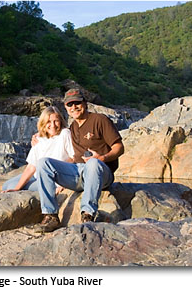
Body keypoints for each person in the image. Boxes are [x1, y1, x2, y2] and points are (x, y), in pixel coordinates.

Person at [33, 89, 124, 233]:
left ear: (85, 103)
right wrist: (40, 136)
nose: (74, 107)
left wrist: (102, 157)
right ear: (66, 109)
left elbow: (119, 147)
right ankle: (50, 215)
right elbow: (55, 130)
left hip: (101, 172)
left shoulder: (99, 120)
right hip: (78, 172)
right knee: (44, 163)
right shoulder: (72, 128)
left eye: (77, 103)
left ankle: (87, 214)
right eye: (70, 104)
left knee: (92, 163)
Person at [1, 106, 74, 193]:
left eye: (56, 121)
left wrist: (64, 184)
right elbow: (32, 166)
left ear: (61, 121)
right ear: (43, 123)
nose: (53, 125)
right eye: (48, 122)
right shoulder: (39, 138)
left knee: (11, 186)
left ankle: (50, 190)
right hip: (38, 175)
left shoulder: (65, 134)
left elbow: (72, 158)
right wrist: (17, 188)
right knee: (6, 185)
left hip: (55, 179)